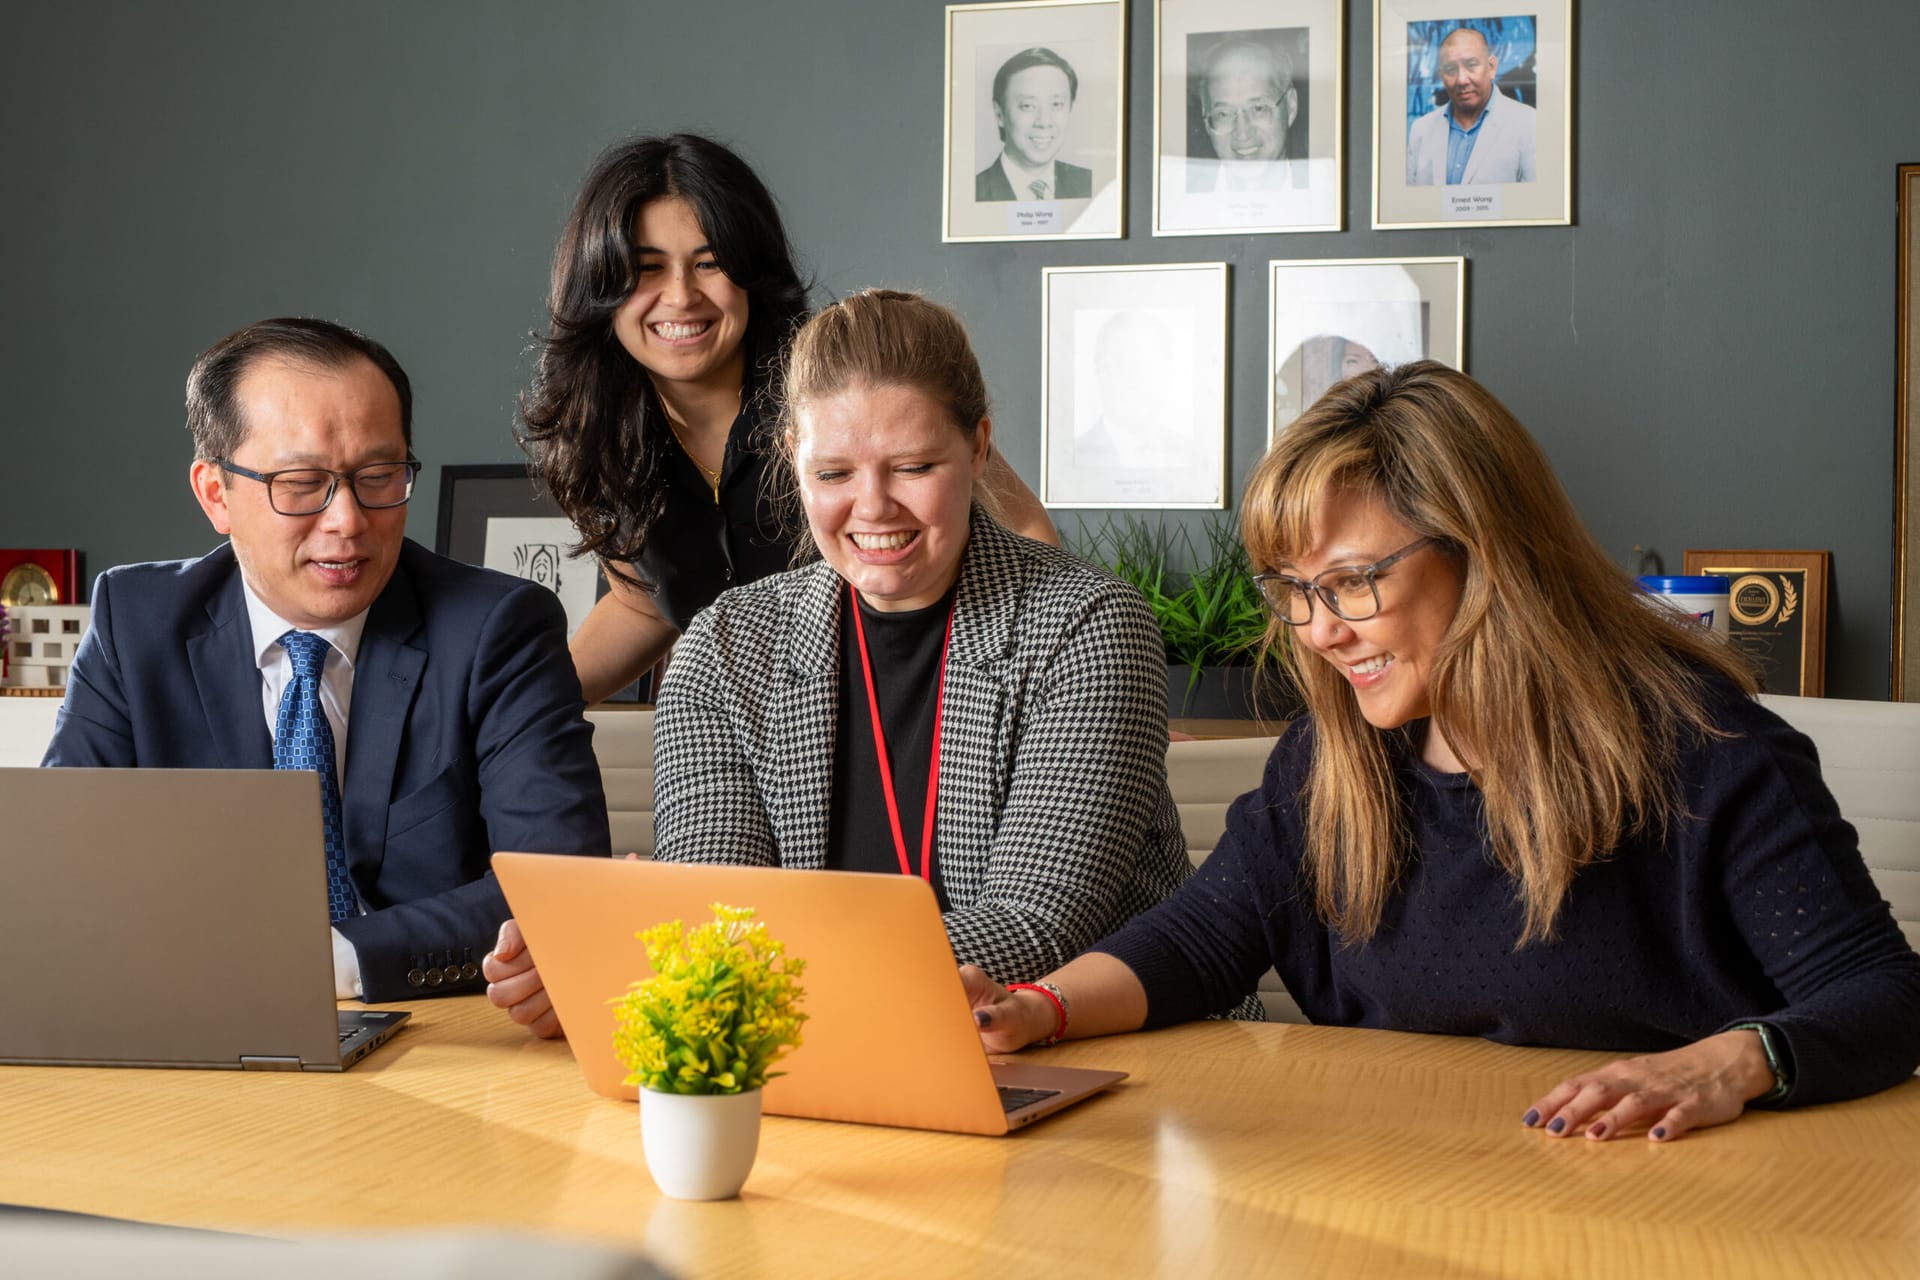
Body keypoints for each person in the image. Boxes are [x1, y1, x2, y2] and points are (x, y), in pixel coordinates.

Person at [968, 361, 1920, 1141]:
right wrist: (1034, 1009)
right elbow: (1197, 940)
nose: (1319, 631)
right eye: (1292, 590)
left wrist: (1734, 1061)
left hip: (1657, 1188)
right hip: (1409, 1181)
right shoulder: (1333, 760)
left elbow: (1885, 995)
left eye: (1352, 581)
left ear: (1484, 553)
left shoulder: (1705, 749)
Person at [486, 290, 1254, 1038]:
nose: (874, 506)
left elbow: (1037, 925)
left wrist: (709, 964)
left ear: (979, 447)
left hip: (1111, 1056)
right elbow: (721, 904)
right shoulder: (724, 648)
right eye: (834, 474)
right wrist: (624, 952)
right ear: (792, 458)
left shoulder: (1089, 625)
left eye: (913, 467)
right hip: (828, 1050)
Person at [43, 318, 611, 1002]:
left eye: (379, 475)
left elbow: (558, 880)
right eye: (302, 483)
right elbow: (59, 872)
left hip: (430, 1023)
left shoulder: (498, 629)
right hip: (194, 1010)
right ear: (216, 493)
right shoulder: (136, 625)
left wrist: (327, 961)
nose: (348, 520)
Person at [522, 134, 1055, 705]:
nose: (680, 296)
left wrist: (1031, 692)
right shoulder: (602, 437)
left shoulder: (841, 382)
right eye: (646, 268)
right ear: (600, 284)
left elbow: (1029, 537)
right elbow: (643, 606)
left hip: (929, 704)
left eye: (709, 263)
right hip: (762, 734)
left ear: (751, 268)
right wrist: (519, 708)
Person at [1405, 27, 1536, 186]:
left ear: (1491, 67)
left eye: (1471, 65)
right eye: (1450, 69)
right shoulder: (1421, 129)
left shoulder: (1529, 123)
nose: (1461, 80)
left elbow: (1536, 198)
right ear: (1442, 76)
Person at [1187, 36, 1304, 193]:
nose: (1242, 134)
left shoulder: (1326, 192)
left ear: (1291, 106)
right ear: (1205, 117)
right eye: (1223, 114)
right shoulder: (1179, 199)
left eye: (1258, 109)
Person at [974, 48, 1093, 202]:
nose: (1044, 122)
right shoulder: (973, 193)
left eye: (1056, 104)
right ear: (999, 114)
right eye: (1028, 106)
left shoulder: (1091, 186)